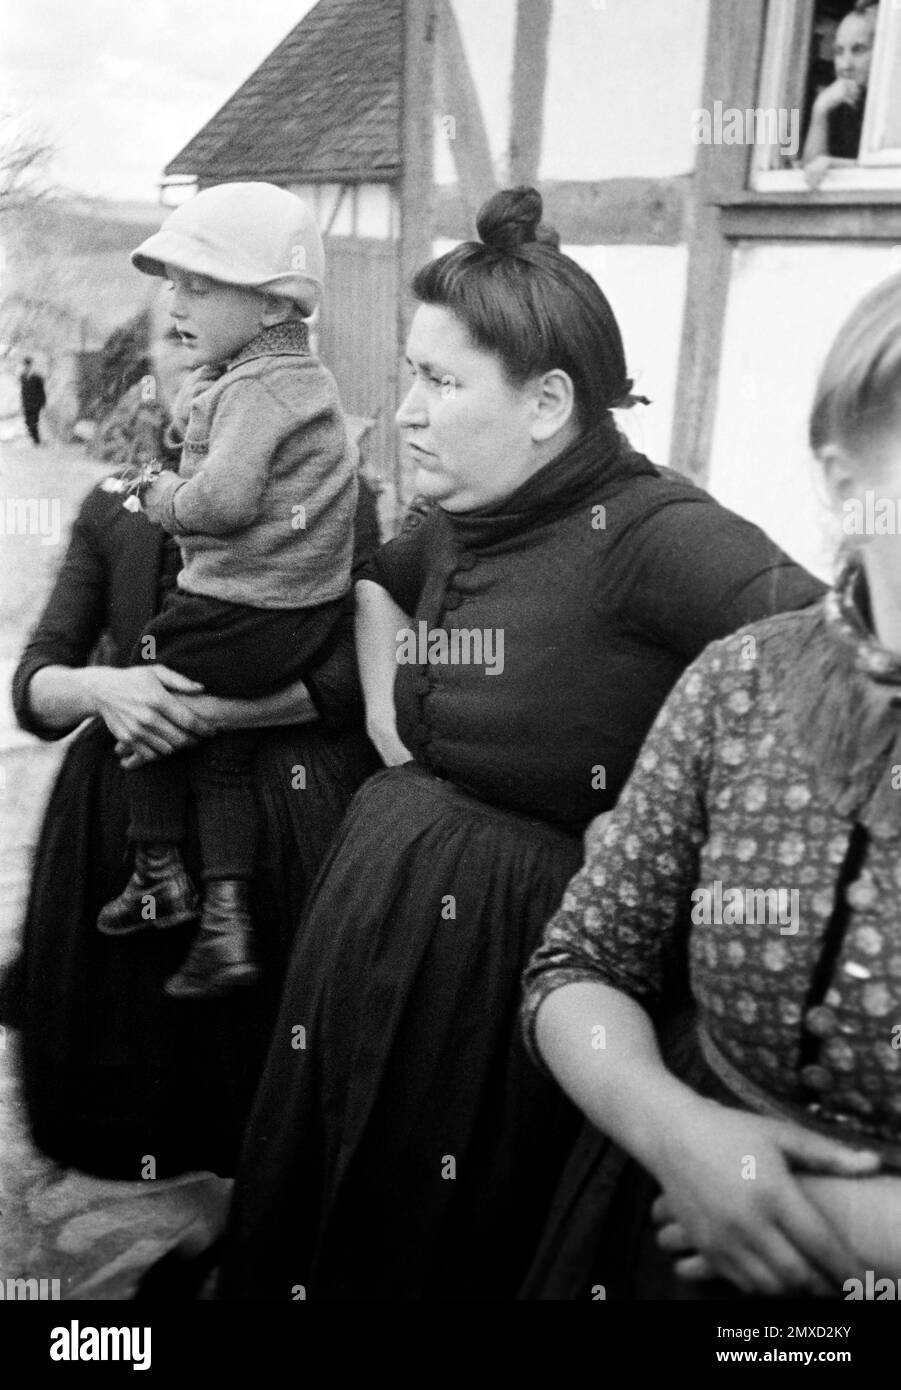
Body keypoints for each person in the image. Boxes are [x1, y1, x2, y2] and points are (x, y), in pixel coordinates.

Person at [213, 186, 826, 1302]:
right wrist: (397, 727)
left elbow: (845, 669)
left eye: (439, 383)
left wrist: (674, 839)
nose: (402, 412)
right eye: (410, 374)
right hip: (389, 910)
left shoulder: (657, 536)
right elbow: (373, 580)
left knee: (435, 1240)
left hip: (510, 972)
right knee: (332, 1193)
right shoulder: (467, 506)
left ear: (547, 401)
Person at [521, 270, 901, 1300]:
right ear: (840, 479)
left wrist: (829, 1222)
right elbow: (577, 961)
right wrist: (680, 1132)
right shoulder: (740, 682)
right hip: (664, 1228)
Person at [0, 302, 380, 1179]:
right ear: (157, 381)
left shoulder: (333, 501)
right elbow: (36, 681)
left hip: (272, 810)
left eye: (228, 364)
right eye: (183, 356)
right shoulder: (114, 507)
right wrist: (107, 688)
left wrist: (224, 716)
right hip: (125, 810)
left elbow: (355, 682)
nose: (206, 376)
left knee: (253, 1078)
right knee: (134, 1056)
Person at [96, 183, 358, 1002]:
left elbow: (222, 502)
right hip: (299, 618)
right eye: (172, 284)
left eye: (198, 285)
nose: (175, 303)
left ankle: (157, 870)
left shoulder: (252, 388)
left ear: (275, 297)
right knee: (225, 756)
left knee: (150, 695)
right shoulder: (303, 380)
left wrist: (154, 492)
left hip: (239, 611)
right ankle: (225, 923)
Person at [802, 1, 879, 189]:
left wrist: (835, 166)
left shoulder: (891, 105)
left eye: (858, 50)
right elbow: (811, 171)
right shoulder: (836, 103)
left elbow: (891, 171)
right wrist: (820, 109)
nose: (845, 65)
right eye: (839, 52)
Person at [19, 356, 46, 445]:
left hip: (35, 403)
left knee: (34, 421)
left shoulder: (37, 377)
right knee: (28, 421)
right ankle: (34, 438)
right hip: (26, 403)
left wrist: (43, 402)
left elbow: (41, 390)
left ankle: (36, 439)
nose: (26, 366)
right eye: (25, 364)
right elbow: (23, 391)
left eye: (28, 364)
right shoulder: (23, 376)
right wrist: (22, 402)